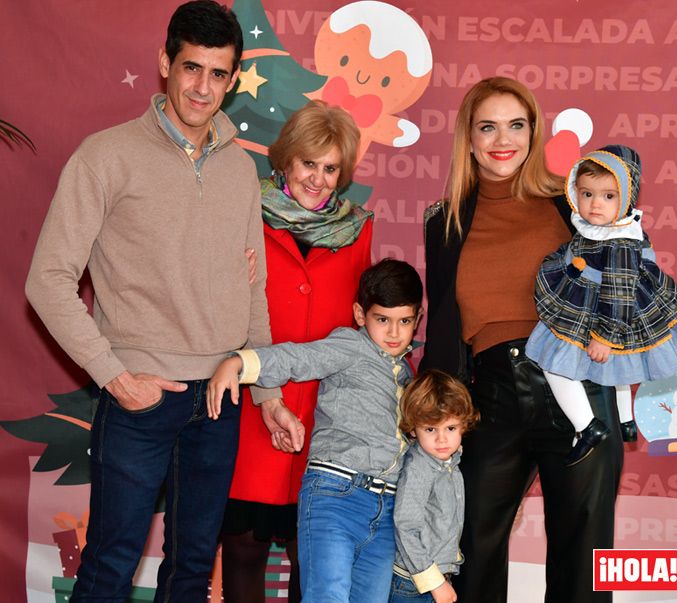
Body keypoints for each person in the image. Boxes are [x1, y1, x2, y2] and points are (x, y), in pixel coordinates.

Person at [24, 2, 302, 600]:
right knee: (109, 564)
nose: (203, 87)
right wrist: (116, 378)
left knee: (194, 570)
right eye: (191, 68)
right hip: (139, 402)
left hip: (218, 402)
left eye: (218, 73)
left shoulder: (237, 170)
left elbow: (252, 290)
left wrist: (270, 394)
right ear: (164, 65)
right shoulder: (105, 156)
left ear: (232, 80)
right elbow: (47, 279)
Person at [420, 76, 623, 603]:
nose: (501, 139)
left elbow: (624, 281)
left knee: (584, 563)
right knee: (469, 555)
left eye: (516, 125)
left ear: (534, 132)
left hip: (578, 389)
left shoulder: (572, 204)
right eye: (487, 126)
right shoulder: (444, 223)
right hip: (489, 398)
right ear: (468, 136)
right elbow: (443, 327)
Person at [220, 100, 373, 603]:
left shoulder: (358, 229)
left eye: (331, 169)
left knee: (315, 554)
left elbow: (364, 322)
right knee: (244, 548)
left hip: (325, 418)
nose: (318, 179)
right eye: (310, 163)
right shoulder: (246, 213)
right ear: (286, 161)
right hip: (252, 405)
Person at [207, 258, 423, 603]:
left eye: (405, 321)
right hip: (336, 494)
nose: (394, 332)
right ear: (359, 314)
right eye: (382, 320)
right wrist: (239, 363)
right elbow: (297, 358)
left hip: (386, 509)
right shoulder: (350, 346)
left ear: (417, 319)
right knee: (328, 596)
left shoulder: (409, 377)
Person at [526, 145, 677, 466]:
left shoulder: (620, 240)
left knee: (555, 366)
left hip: (605, 314)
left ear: (627, 197)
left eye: (608, 196)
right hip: (597, 303)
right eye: (587, 193)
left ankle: (586, 426)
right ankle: (626, 420)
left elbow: (619, 294)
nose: (594, 205)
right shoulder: (601, 227)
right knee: (620, 367)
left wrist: (605, 336)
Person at [389, 369, 479, 603]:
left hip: (436, 576)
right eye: (430, 429)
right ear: (412, 428)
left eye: (450, 428)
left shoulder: (450, 464)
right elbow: (406, 527)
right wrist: (435, 582)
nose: (441, 439)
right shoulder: (419, 467)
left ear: (463, 425)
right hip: (413, 582)